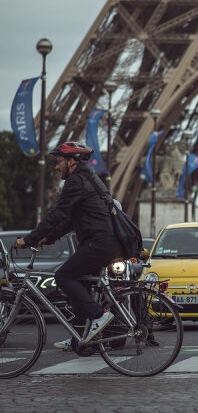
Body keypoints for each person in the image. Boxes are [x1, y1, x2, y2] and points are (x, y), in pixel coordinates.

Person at [15, 142, 117, 350]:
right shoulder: (89, 179)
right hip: (105, 241)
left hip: (98, 243)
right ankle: (79, 339)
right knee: (81, 284)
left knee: (63, 276)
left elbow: (58, 214)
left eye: (59, 161)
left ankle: (99, 315)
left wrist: (30, 239)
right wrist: (48, 238)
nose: (56, 166)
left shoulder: (76, 182)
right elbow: (71, 220)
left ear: (72, 162)